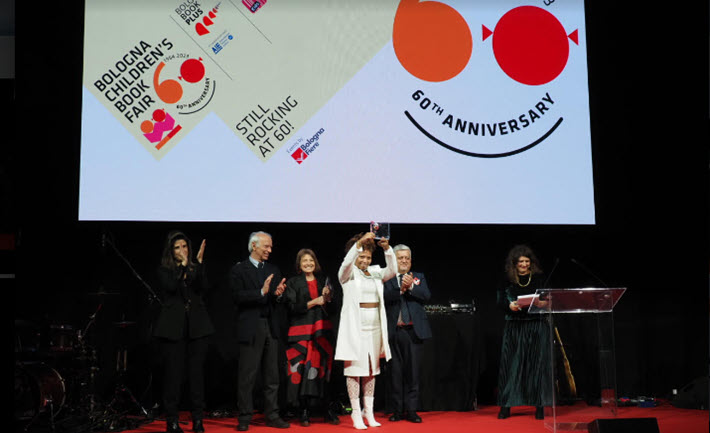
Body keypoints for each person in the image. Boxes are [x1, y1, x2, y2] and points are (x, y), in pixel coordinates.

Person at [153, 231, 214, 433]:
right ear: (171, 251)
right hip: (173, 329)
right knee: (173, 376)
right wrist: (183, 266)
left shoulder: (196, 267)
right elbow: (171, 287)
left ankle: (198, 420)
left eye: (184, 246)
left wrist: (196, 265)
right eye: (177, 247)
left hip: (197, 327)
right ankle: (172, 421)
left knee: (197, 376)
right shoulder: (164, 270)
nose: (182, 250)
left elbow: (202, 287)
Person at [334, 232, 396, 430]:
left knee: (371, 371)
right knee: (354, 371)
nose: (365, 260)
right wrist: (358, 245)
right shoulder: (348, 274)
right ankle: (355, 413)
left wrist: (387, 250)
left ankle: (368, 411)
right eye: (362, 256)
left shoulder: (375, 272)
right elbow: (346, 264)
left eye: (368, 257)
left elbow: (393, 271)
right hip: (356, 328)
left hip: (374, 328)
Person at [230, 231, 290, 431]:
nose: (269, 250)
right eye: (266, 246)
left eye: (271, 247)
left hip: (270, 326)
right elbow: (237, 297)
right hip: (250, 327)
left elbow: (276, 299)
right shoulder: (239, 270)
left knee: (272, 375)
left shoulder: (273, 269)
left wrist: (278, 294)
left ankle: (272, 414)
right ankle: (245, 416)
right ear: (254, 246)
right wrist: (261, 292)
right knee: (247, 375)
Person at [283, 249, 340, 426]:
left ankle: (326, 409)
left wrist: (328, 298)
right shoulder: (292, 282)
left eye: (311, 260)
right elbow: (291, 307)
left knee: (324, 372)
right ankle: (303, 411)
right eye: (304, 261)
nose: (308, 263)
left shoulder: (324, 281)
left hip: (322, 333)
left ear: (315, 263)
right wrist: (315, 301)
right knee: (300, 373)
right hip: (300, 334)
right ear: (299, 264)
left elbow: (333, 310)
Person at [496, 244, 552, 420]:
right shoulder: (506, 279)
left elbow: (548, 299)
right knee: (510, 366)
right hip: (515, 326)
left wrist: (543, 303)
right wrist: (509, 305)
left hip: (536, 325)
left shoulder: (539, 278)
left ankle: (540, 405)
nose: (524, 265)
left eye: (527, 261)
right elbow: (499, 301)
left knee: (537, 365)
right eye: (521, 261)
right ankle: (506, 406)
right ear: (514, 263)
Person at [383, 244, 431, 423]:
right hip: (394, 332)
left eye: (407, 258)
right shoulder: (386, 277)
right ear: (393, 260)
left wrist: (410, 287)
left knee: (413, 373)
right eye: (400, 258)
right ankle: (397, 410)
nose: (404, 261)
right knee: (395, 373)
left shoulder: (419, 277)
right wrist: (400, 290)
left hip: (413, 332)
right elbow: (384, 297)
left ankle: (411, 410)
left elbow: (426, 295)